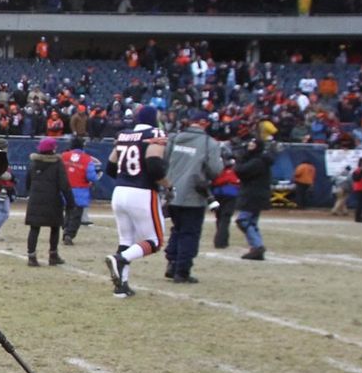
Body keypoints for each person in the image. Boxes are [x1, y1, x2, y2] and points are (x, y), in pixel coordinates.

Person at [102, 106, 167, 298]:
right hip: (142, 191)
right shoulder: (155, 133)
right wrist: (168, 185)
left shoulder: (124, 135)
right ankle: (120, 259)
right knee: (155, 242)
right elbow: (154, 164)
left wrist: (127, 179)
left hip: (120, 191)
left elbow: (111, 167)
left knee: (126, 240)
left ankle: (121, 287)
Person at [163, 113, 225, 283]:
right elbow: (215, 169)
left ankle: (172, 262)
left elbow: (164, 160)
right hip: (193, 194)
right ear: (204, 123)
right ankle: (182, 270)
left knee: (177, 229)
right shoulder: (209, 143)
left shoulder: (175, 139)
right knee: (189, 232)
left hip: (172, 192)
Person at [22, 134, 67, 267]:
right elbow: (64, 184)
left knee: (34, 228)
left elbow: (27, 181)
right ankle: (53, 255)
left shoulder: (34, 163)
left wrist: (30, 192)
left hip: (36, 199)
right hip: (53, 199)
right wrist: (70, 201)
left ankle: (31, 256)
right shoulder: (58, 163)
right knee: (55, 227)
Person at [234, 136, 275, 259]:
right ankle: (256, 247)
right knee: (251, 222)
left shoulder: (258, 161)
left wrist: (239, 159)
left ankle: (257, 246)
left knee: (243, 221)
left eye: (252, 145)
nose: (249, 147)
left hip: (253, 194)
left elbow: (241, 171)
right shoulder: (260, 160)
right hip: (257, 194)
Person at [59, 134, 99, 245]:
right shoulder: (87, 159)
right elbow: (92, 177)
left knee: (68, 211)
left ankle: (65, 228)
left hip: (65, 189)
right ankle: (69, 234)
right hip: (80, 190)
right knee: (76, 215)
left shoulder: (64, 156)